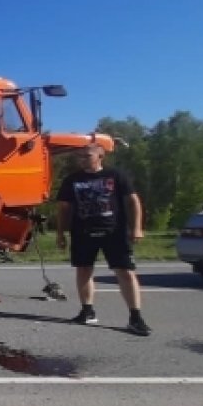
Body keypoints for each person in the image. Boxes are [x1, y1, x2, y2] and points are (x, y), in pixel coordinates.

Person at [55, 144, 151, 336]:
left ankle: (135, 317)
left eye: (87, 155)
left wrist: (137, 227)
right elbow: (63, 208)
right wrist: (60, 233)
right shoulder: (72, 180)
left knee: (125, 272)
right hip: (83, 232)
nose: (82, 158)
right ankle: (87, 311)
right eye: (79, 156)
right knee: (83, 270)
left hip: (114, 232)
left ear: (100, 155)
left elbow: (133, 201)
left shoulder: (115, 175)